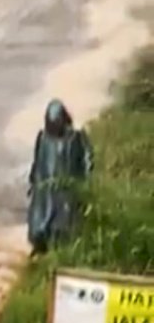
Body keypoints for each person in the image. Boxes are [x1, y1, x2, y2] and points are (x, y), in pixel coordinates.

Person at [27, 99, 93, 255]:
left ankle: (63, 247)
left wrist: (86, 183)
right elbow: (38, 161)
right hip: (45, 188)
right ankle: (40, 244)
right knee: (41, 216)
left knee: (65, 220)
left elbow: (87, 158)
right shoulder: (43, 138)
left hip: (66, 188)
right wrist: (33, 180)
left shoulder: (76, 138)